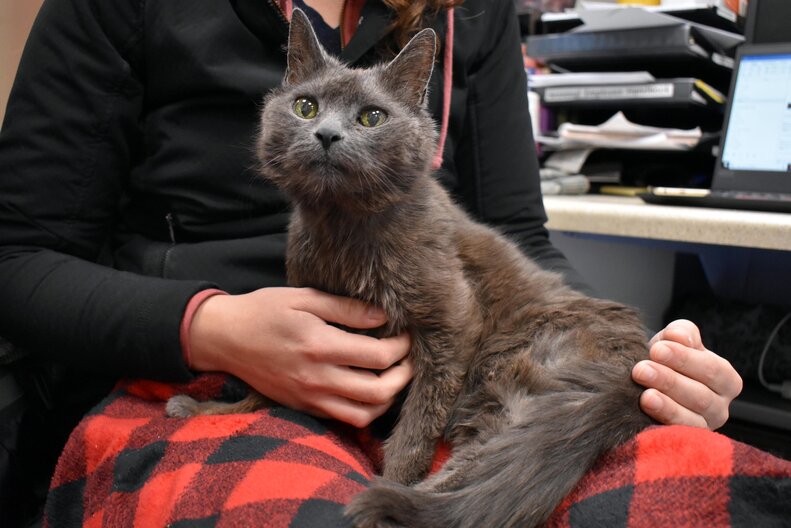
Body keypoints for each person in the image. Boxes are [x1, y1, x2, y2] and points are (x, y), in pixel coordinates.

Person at [0, 0, 744, 525]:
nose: (328, 131)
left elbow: (518, 235)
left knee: (707, 495)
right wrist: (208, 327)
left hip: (457, 386)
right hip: (200, 372)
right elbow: (19, 256)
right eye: (306, 109)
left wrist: (648, 369)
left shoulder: (470, 11)